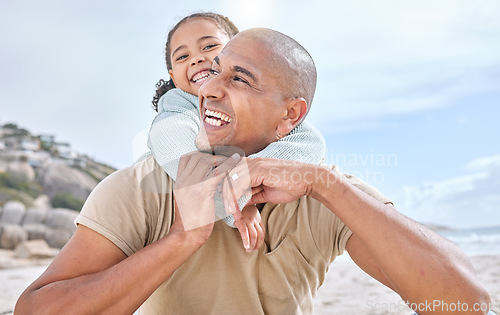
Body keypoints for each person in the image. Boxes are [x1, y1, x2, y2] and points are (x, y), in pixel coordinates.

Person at [15, 28, 491, 314]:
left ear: (291, 116)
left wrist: (325, 184)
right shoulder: (140, 188)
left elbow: (465, 304)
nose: (209, 87)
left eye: (239, 78)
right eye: (212, 70)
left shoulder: (324, 192)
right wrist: (183, 237)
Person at [146, 12, 326, 251]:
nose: (196, 60)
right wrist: (236, 203)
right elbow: (173, 146)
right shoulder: (177, 104)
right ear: (173, 77)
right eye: (182, 56)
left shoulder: (267, 110)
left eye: (209, 46)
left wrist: (252, 174)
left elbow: (310, 141)